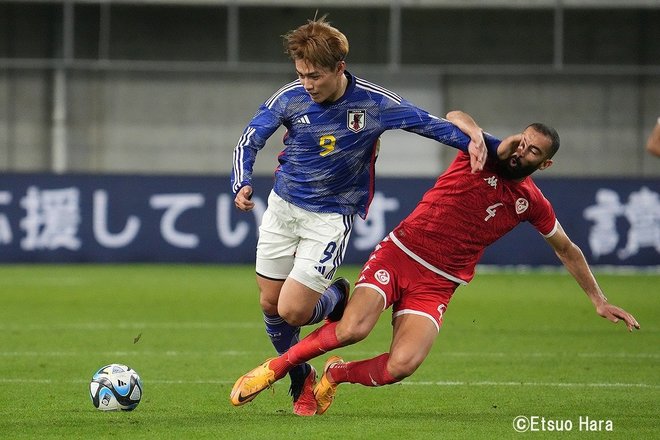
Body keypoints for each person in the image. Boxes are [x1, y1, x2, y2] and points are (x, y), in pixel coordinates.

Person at [229, 111, 641, 415]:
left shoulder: (531, 202)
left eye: (534, 150)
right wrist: (478, 133)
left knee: (402, 365)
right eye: (522, 141)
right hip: (401, 253)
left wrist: (599, 300)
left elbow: (567, 248)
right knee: (354, 328)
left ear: (544, 163)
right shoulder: (480, 153)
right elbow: (455, 116)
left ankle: (335, 375)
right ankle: (276, 368)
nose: (522, 151)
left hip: (439, 283)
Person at [230, 16, 494, 416]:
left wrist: (484, 146)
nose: (306, 84)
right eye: (300, 74)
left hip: (330, 218)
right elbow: (251, 137)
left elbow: (430, 125)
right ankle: (301, 379)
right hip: (283, 208)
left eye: (314, 76)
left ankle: (335, 295)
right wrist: (242, 182)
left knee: (293, 312)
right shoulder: (289, 97)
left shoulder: (373, 102)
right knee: (270, 305)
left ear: (339, 68)